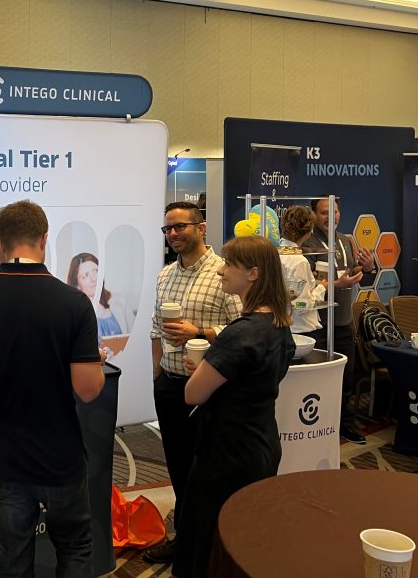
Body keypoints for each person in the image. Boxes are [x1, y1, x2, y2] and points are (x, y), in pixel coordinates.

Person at [0, 200, 105, 577]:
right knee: (75, 548)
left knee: (12, 558)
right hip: (59, 454)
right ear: (45, 239)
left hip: (2, 455)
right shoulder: (74, 303)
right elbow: (88, 389)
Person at [178, 235, 296, 578]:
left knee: (213, 536)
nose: (221, 271)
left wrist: (203, 371)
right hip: (261, 442)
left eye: (230, 264)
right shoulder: (279, 325)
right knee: (247, 532)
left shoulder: (240, 333)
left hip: (227, 451)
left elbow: (192, 394)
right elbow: (251, 380)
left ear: (253, 273)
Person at [144, 202, 241, 567]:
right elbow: (156, 327)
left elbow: (242, 330)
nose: (173, 234)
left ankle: (213, 544)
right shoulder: (165, 275)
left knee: (210, 470)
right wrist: (156, 372)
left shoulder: (224, 273)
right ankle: (185, 539)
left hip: (210, 392)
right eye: (168, 229)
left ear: (202, 228)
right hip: (170, 385)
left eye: (180, 227)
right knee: (179, 466)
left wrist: (199, 332)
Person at [303, 198, 374, 445]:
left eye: (334, 212)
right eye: (324, 213)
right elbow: (308, 285)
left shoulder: (344, 240)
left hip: (344, 322)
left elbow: (352, 273)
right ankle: (315, 426)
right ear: (313, 214)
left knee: (345, 377)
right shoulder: (307, 244)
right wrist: (336, 284)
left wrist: (368, 267)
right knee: (317, 379)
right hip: (317, 325)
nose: (331, 217)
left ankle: (343, 424)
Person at [278, 206, 324, 336]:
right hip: (301, 329)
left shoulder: (275, 254)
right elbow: (301, 305)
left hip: (283, 326)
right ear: (309, 231)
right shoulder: (299, 262)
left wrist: (309, 280)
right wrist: (321, 288)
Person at [66, 252, 125, 336]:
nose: (93, 278)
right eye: (86, 275)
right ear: (77, 285)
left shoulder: (121, 301)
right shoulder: (73, 315)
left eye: (96, 271)